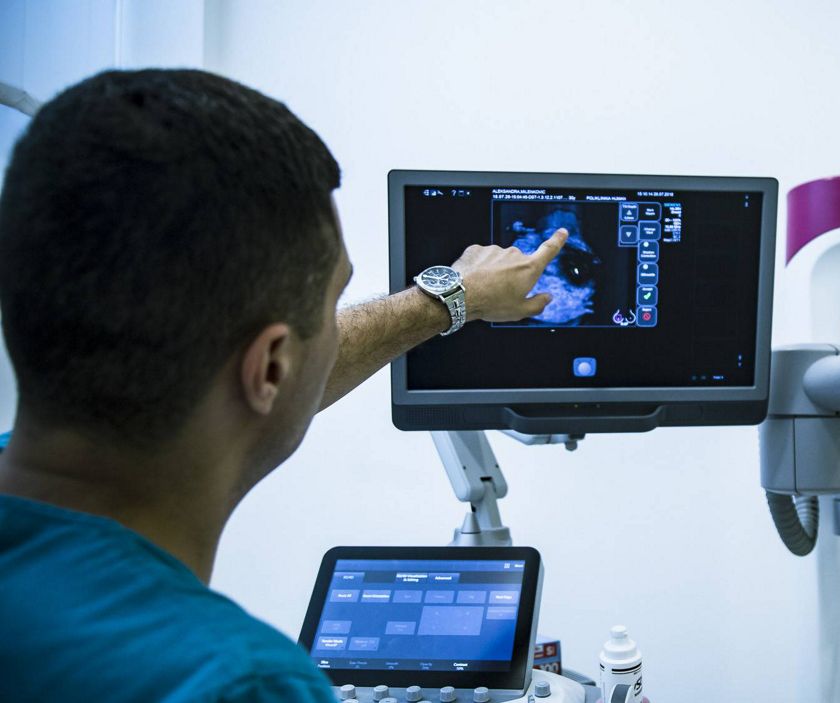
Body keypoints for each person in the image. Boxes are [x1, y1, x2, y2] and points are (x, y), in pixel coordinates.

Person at [0, 69, 566, 701]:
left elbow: (270, 366)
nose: (334, 331)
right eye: (333, 304)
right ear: (269, 368)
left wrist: (446, 300)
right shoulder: (239, 683)